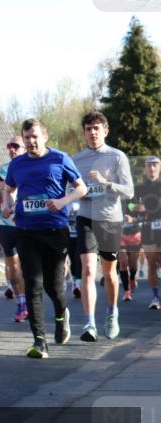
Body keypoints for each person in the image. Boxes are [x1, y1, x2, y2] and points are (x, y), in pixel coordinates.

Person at [2, 118, 86, 358]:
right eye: (27, 137)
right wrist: (8, 205)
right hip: (26, 231)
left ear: (44, 137)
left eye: (35, 137)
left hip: (54, 231)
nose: (31, 141)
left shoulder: (60, 158)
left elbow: (81, 188)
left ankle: (62, 316)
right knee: (33, 284)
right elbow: (8, 190)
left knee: (54, 286)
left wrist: (62, 201)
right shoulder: (17, 164)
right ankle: (40, 341)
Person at [71, 111, 134, 341]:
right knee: (88, 269)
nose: (93, 133)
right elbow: (69, 190)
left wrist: (106, 183)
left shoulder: (117, 157)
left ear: (105, 131)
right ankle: (89, 324)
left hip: (110, 219)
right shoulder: (76, 160)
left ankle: (112, 312)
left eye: (97, 128)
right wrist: (80, 193)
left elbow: (129, 191)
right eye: (88, 129)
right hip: (86, 217)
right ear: (84, 132)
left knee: (109, 272)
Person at [0, 136, 28, 320]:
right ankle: (21, 304)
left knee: (26, 265)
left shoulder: (31, 167)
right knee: (13, 266)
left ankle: (29, 300)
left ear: (24, 148)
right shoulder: (1, 170)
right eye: (9, 146)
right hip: (6, 224)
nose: (12, 149)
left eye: (16, 146)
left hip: (27, 223)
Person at [134, 156, 161, 309]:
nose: (152, 168)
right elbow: (131, 205)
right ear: (145, 169)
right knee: (151, 262)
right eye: (149, 165)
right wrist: (136, 209)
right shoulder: (139, 188)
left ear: (159, 168)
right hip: (148, 227)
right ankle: (156, 298)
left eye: (155, 165)